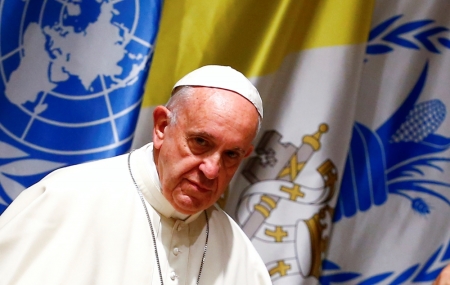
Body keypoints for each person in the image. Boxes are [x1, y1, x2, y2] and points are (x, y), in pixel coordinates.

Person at [0, 65, 272, 284]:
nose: (211, 170)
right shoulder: (66, 199)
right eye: (201, 142)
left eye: (231, 155)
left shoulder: (240, 256)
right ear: (162, 127)